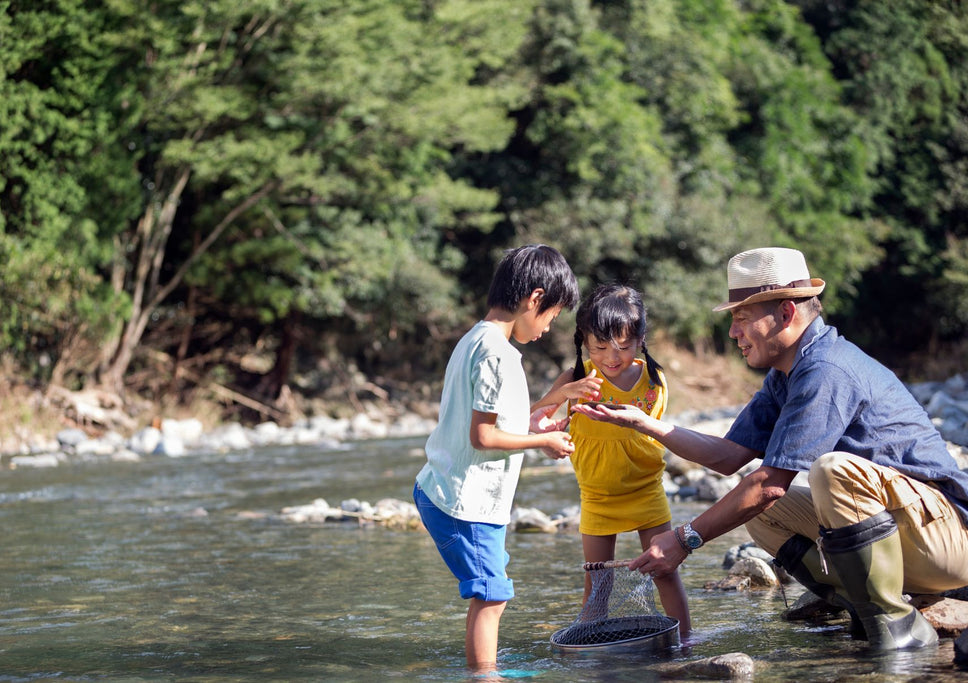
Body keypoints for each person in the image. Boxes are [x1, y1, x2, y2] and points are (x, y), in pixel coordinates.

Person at [571, 247, 968, 651]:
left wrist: (685, 538)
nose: (732, 333)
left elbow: (771, 483)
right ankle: (862, 605)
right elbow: (728, 457)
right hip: (909, 537)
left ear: (786, 314)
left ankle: (896, 626)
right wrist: (644, 423)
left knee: (831, 472)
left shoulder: (826, 368)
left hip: (947, 540)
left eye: (741, 319)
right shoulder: (785, 373)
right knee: (762, 515)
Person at [413, 244, 580, 674]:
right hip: (463, 501)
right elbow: (484, 435)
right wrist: (540, 444)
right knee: (492, 594)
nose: (547, 329)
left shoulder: (476, 339)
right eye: (551, 317)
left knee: (492, 590)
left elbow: (496, 422)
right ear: (534, 299)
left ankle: (483, 668)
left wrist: (543, 417)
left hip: (453, 490)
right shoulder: (497, 354)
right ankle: (485, 675)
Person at [532, 283, 691, 637]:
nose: (611, 357)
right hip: (596, 496)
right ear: (584, 342)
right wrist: (555, 416)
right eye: (600, 347)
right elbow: (532, 420)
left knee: (665, 571)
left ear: (640, 339)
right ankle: (593, 652)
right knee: (597, 583)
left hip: (646, 491)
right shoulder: (577, 377)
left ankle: (685, 642)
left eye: (623, 346)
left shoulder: (653, 380)